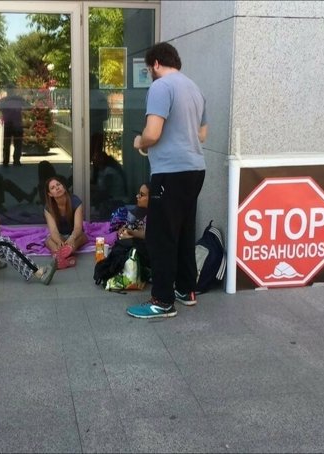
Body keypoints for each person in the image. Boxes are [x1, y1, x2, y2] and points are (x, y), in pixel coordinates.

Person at [126, 42, 208, 319]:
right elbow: (203, 134)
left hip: (170, 173)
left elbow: (152, 133)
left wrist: (140, 141)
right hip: (195, 169)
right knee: (184, 232)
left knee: (161, 237)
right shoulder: (194, 89)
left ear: (156, 63)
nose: (150, 72)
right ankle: (186, 290)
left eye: (150, 68)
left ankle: (161, 301)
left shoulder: (161, 87)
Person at [43, 175, 87, 269]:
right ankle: (62, 258)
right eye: (53, 188)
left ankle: (59, 257)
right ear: (50, 194)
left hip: (75, 235)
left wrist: (72, 238)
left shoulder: (76, 201)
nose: (57, 188)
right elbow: (54, 231)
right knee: (49, 240)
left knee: (78, 240)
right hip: (60, 235)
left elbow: (78, 227)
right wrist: (59, 241)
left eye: (58, 184)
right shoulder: (48, 208)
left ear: (63, 186)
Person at [0, 86, 27, 167]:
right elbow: (27, 106)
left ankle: (6, 161)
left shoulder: (3, 101)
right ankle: (16, 161)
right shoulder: (19, 99)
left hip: (8, 124)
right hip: (17, 124)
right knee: (18, 144)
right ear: (14, 90)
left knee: (7, 144)